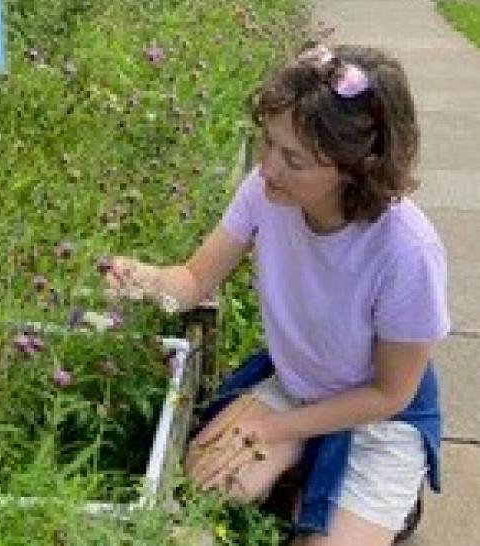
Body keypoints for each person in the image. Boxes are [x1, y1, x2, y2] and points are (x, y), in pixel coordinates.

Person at [102, 43, 450, 546]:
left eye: (293, 159)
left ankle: (375, 503)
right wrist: (144, 279)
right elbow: (195, 280)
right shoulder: (267, 193)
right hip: (297, 383)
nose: (267, 168)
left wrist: (274, 430)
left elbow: (389, 393)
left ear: (356, 168)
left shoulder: (407, 251)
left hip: (380, 418)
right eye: (268, 143)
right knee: (197, 485)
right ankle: (302, 478)